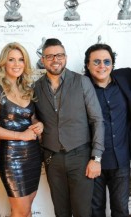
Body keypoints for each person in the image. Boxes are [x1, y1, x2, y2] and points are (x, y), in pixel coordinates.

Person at [33, 38, 105, 217]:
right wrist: (36, 123)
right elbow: (33, 117)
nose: (55, 60)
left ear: (65, 57)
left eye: (59, 55)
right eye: (49, 56)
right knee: (61, 212)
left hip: (80, 157)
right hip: (52, 158)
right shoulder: (36, 87)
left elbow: (97, 120)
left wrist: (96, 158)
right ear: (43, 60)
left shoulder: (81, 82)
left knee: (82, 212)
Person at [0, 42, 43, 217]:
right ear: (3, 63)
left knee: (26, 210)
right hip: (12, 158)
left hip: (33, 156)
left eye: (20, 60)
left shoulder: (27, 88)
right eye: (11, 59)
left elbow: (32, 119)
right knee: (20, 211)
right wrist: (20, 136)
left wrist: (39, 125)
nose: (16, 64)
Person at [84, 43, 131, 217]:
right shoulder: (81, 88)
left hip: (122, 161)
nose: (102, 66)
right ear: (88, 65)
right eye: (96, 62)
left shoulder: (125, 78)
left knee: (121, 210)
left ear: (112, 64)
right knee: (95, 211)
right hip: (92, 162)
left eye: (106, 61)